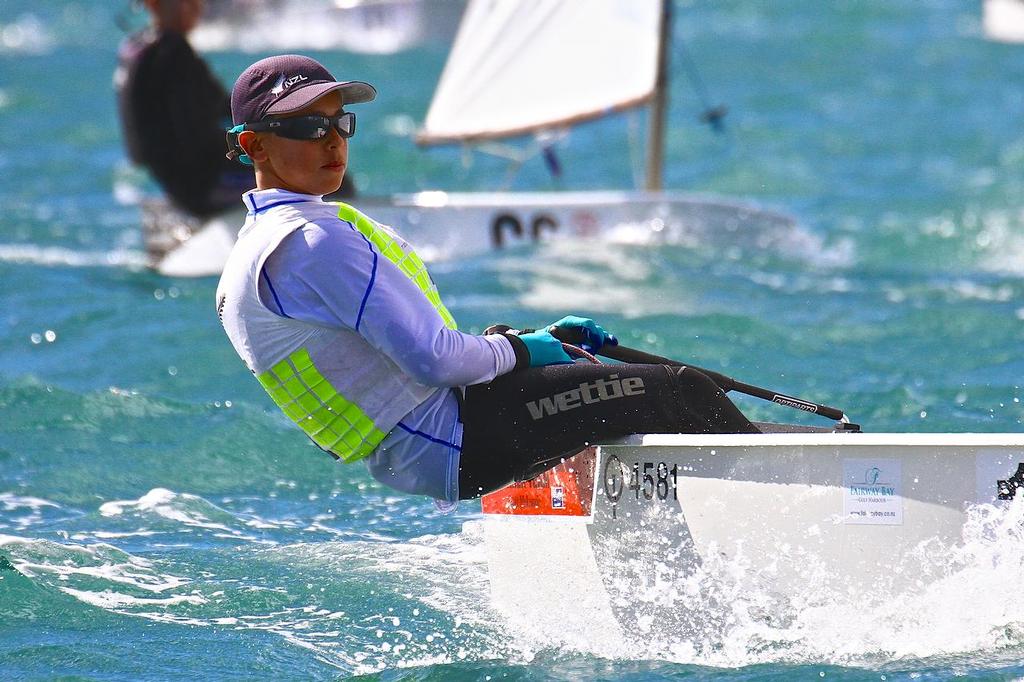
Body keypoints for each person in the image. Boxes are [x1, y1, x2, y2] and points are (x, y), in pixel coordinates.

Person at [215, 55, 758, 507]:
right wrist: (521, 352)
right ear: (254, 145)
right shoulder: (314, 243)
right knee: (679, 390)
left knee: (573, 366)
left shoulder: (254, 247)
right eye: (308, 127)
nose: (332, 141)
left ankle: (621, 506)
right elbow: (435, 361)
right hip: (454, 441)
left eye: (340, 123)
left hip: (417, 451)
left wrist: (525, 344)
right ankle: (789, 492)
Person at [114, 0, 353, 219]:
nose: (195, 9)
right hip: (202, 183)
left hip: (175, 182)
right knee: (330, 175)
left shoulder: (139, 48)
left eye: (198, 2)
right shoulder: (171, 53)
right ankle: (345, 227)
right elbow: (196, 133)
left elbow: (223, 109)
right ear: (154, 5)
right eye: (186, 3)